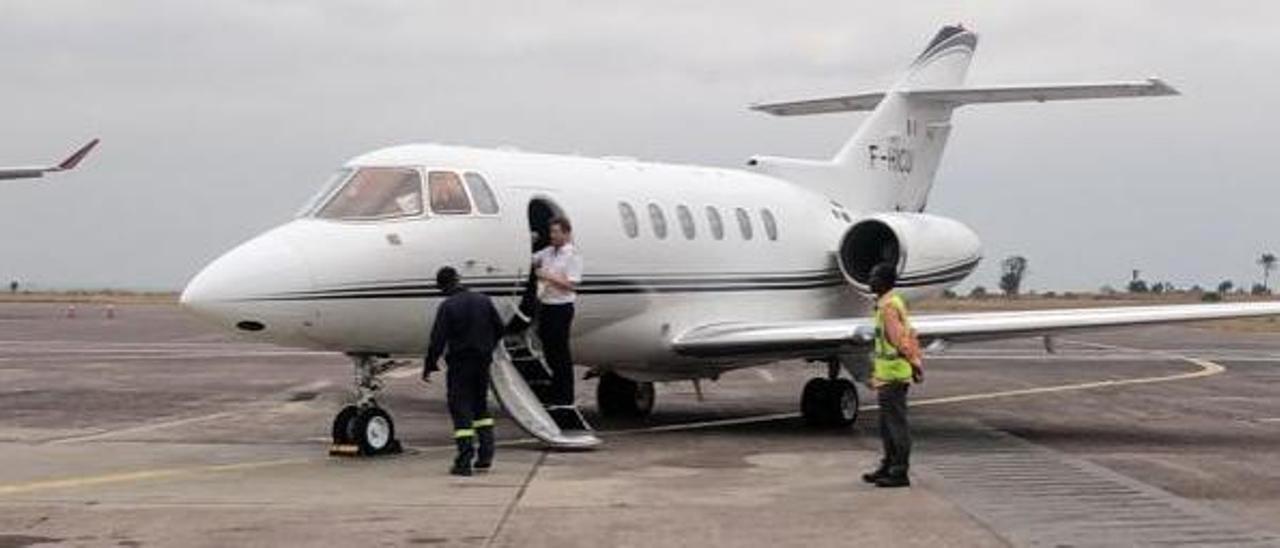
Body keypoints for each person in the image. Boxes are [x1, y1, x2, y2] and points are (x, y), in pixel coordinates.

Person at [423, 266, 505, 476]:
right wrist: (488, 348)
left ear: (443, 286)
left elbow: (437, 340)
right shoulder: (483, 300)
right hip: (482, 362)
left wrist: (430, 364)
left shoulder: (448, 306)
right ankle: (486, 456)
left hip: (460, 364)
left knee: (461, 411)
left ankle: (464, 460)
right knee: (481, 409)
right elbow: (500, 328)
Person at [861, 263, 924, 488]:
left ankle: (899, 471)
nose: (870, 281)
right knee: (886, 425)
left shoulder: (888, 307)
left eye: (874, 277)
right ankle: (887, 465)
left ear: (885, 282)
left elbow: (901, 342)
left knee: (896, 426)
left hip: (895, 377)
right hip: (887, 376)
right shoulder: (885, 304)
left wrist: (915, 364)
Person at [532, 217, 584, 420]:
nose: (552, 235)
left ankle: (565, 397)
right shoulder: (547, 252)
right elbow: (530, 259)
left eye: (556, 232)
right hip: (546, 306)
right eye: (551, 232)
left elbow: (572, 284)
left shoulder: (573, 255)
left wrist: (547, 276)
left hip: (562, 307)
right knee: (550, 351)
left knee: (560, 353)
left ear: (566, 233)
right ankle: (555, 393)